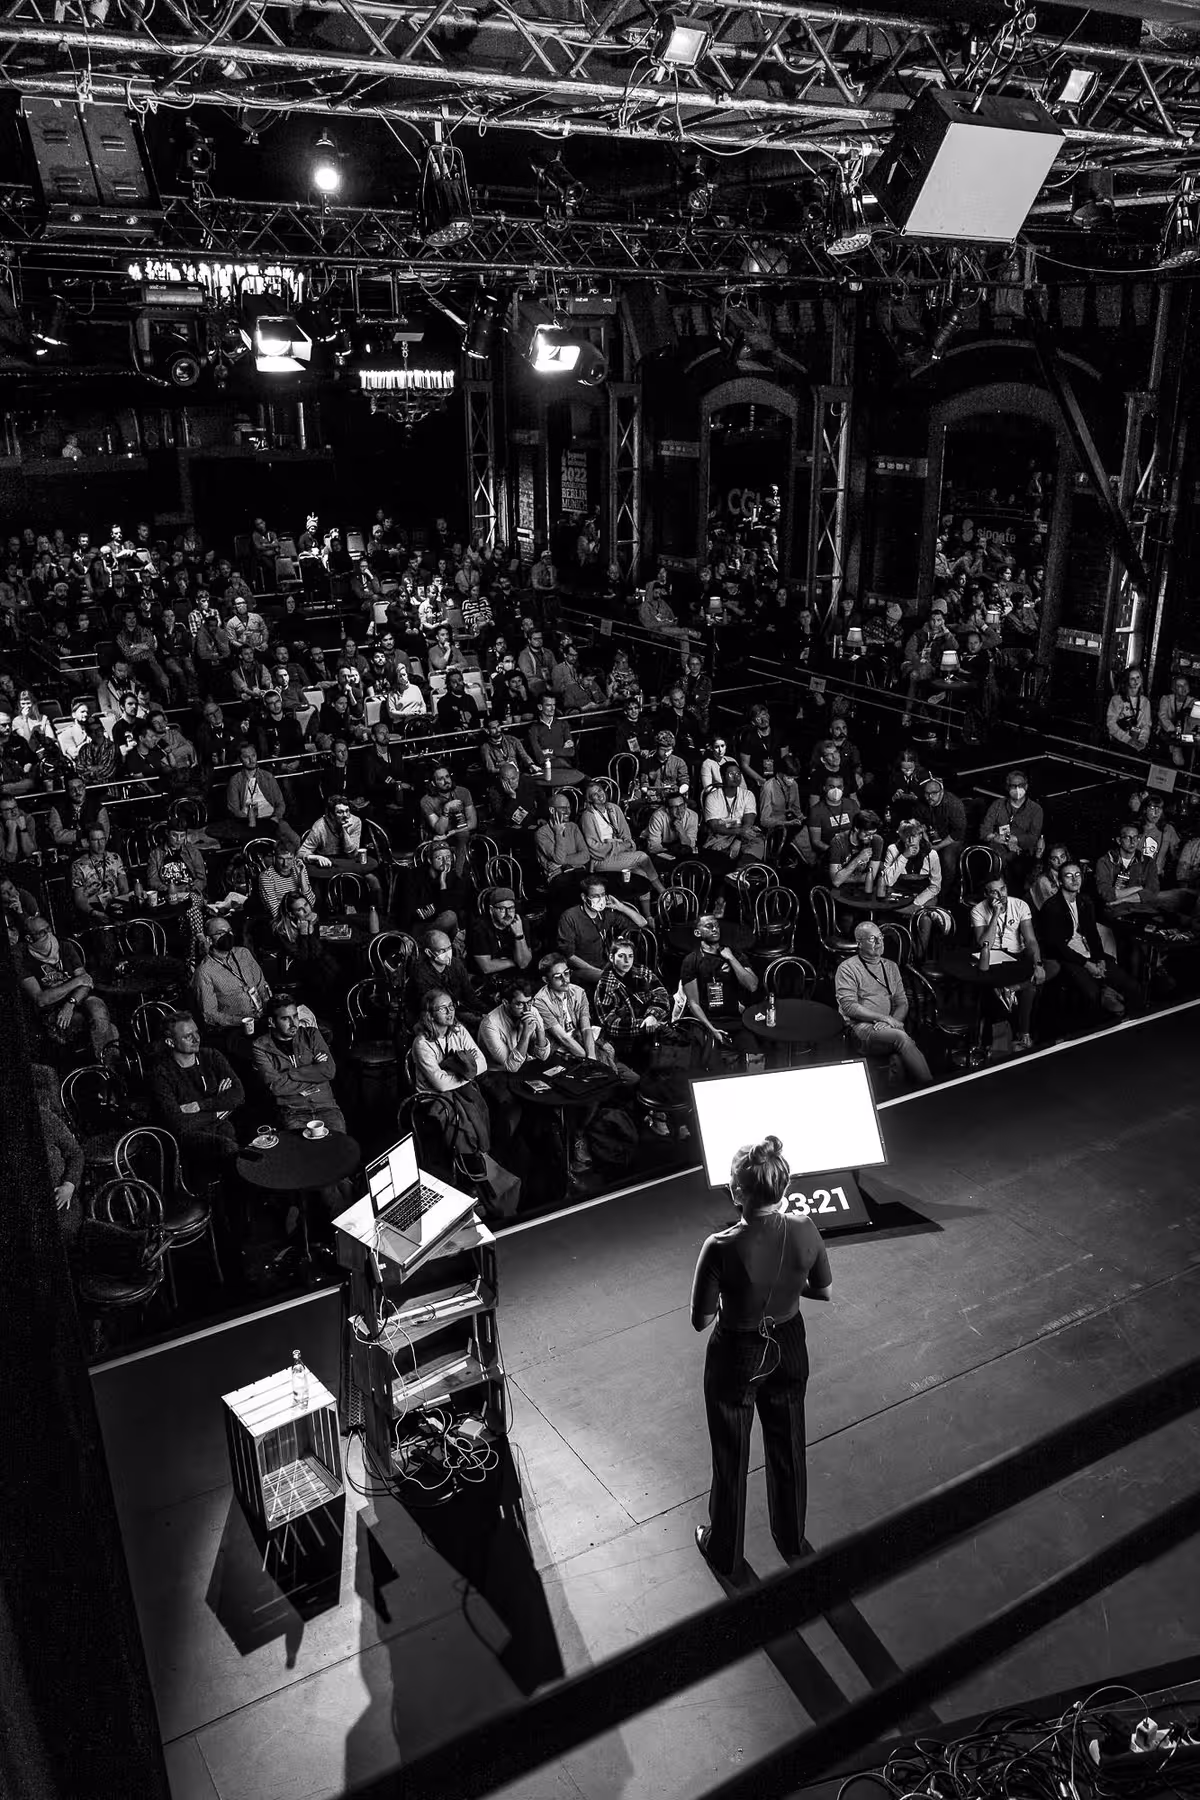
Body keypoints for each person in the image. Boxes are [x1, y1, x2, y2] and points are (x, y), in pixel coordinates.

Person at [691, 1135, 831, 1581]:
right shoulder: (806, 1228)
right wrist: (788, 1289)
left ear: (737, 1192)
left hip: (738, 1350)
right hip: (788, 1342)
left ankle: (725, 1552)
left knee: (731, 1453)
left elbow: (701, 1319)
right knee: (788, 1443)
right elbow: (823, 1291)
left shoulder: (719, 1246)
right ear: (784, 1187)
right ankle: (791, 1539)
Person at [1037, 863, 1142, 1023]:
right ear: (1060, 881)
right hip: (1068, 958)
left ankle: (1134, 1025)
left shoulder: (1085, 901)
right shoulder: (1051, 907)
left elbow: (1093, 934)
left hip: (1090, 954)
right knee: (1092, 995)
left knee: (1132, 986)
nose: (1074, 879)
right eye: (1068, 875)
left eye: (1077, 875)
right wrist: (1087, 964)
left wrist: (1100, 959)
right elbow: (1058, 947)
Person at [834, 922, 933, 1085]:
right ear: (859, 943)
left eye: (881, 938)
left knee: (898, 1054)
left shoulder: (891, 967)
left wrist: (892, 1021)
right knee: (901, 1038)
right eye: (873, 939)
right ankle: (930, 1087)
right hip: (861, 1028)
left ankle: (899, 1096)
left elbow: (902, 1002)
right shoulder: (848, 968)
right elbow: (849, 1007)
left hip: (887, 1027)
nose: (879, 943)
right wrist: (885, 1019)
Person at [969, 869, 1056, 1054]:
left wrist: (1038, 964)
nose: (1001, 895)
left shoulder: (1020, 905)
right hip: (993, 961)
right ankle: (1023, 1035)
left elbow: (1031, 941)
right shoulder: (977, 910)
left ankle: (1011, 989)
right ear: (986, 894)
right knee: (1031, 987)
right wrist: (995, 914)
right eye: (994, 892)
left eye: (1003, 889)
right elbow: (984, 944)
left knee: (1053, 966)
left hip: (1017, 958)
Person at [148, 1013, 244, 1174]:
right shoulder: (160, 1073)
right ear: (170, 1042)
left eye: (196, 1032)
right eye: (188, 1036)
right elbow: (177, 1124)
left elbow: (238, 1094)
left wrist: (199, 1105)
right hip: (190, 1136)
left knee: (243, 1145)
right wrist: (218, 1110)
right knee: (230, 1150)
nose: (196, 1039)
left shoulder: (212, 1056)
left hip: (219, 1126)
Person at [17, 915, 118, 1062]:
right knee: (109, 1029)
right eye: (42, 932)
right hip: (51, 1010)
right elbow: (41, 999)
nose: (49, 934)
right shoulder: (23, 960)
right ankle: (105, 1066)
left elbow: (86, 982)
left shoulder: (64, 946)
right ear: (29, 938)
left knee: (98, 1008)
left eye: (49, 928)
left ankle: (107, 1067)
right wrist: (75, 981)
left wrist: (71, 1002)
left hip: (77, 999)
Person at [253, 992, 345, 1134]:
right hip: (293, 1111)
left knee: (339, 1147)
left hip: (326, 1106)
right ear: (272, 1022)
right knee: (302, 1153)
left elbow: (328, 1071)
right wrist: (314, 1071)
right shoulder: (260, 1046)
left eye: (295, 1016)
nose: (293, 1023)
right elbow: (276, 1086)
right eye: (285, 1018)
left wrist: (290, 1073)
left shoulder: (311, 1034)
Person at [681, 913, 759, 1058]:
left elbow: (752, 985)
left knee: (755, 1060)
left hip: (736, 1020)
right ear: (698, 932)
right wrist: (711, 1029)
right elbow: (693, 1004)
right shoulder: (691, 961)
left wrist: (731, 959)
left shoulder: (735, 954)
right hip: (707, 1022)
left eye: (716, 925)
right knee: (710, 1064)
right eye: (709, 926)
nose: (715, 929)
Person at [876, 819, 953, 959]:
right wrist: (904, 856)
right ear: (900, 836)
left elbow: (935, 886)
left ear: (920, 835)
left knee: (924, 919)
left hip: (923, 896)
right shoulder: (893, 850)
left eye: (915, 836)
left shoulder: (931, 854)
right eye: (907, 836)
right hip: (898, 896)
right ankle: (901, 954)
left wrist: (916, 904)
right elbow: (888, 881)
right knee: (917, 918)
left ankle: (918, 957)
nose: (911, 840)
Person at [193, 917, 270, 1050]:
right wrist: (243, 1020)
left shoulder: (243, 953)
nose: (227, 935)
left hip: (263, 1016)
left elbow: (261, 984)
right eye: (221, 933)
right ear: (209, 939)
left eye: (229, 931)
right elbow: (210, 1015)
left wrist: (269, 1008)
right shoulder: (204, 972)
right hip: (236, 1028)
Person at [594, 935, 671, 1067]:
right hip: (625, 1041)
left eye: (630, 956)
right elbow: (610, 1023)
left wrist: (652, 1015)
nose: (627, 961)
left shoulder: (642, 972)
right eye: (621, 956)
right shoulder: (605, 985)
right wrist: (645, 1024)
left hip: (652, 1028)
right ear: (612, 958)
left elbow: (662, 995)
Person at [556, 875, 644, 990]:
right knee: (616, 983)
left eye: (602, 895)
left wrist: (621, 907)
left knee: (639, 976)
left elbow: (642, 923)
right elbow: (569, 955)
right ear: (584, 897)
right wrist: (597, 971)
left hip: (605, 963)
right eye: (595, 896)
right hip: (582, 969)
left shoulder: (605, 914)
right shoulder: (569, 917)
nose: (600, 899)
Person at [580, 780, 664, 896]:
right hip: (601, 860)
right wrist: (620, 846)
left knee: (643, 875)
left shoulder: (613, 808)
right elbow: (594, 848)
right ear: (590, 799)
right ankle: (665, 893)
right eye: (594, 794)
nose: (600, 795)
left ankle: (648, 914)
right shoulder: (588, 816)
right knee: (642, 857)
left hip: (619, 855)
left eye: (600, 790)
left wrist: (623, 845)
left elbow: (626, 836)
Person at [299, 798, 384, 907]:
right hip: (328, 861)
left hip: (348, 859)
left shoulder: (355, 821)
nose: (345, 815)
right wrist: (316, 858)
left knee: (373, 880)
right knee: (316, 890)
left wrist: (345, 831)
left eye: (347, 811)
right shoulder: (320, 827)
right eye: (340, 812)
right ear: (331, 815)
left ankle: (375, 913)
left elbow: (352, 854)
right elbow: (300, 853)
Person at [410, 929, 485, 1034]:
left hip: (459, 1009)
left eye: (449, 948)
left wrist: (488, 1012)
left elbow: (469, 996)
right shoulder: (421, 973)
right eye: (442, 950)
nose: (448, 953)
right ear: (429, 952)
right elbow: (434, 1009)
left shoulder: (456, 964)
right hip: (436, 1015)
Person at [979, 769, 1044, 881]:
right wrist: (1001, 840)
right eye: (1013, 786)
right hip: (998, 847)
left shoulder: (1036, 809)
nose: (1017, 789)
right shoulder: (997, 805)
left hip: (1022, 850)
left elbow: (1033, 837)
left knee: (1018, 867)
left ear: (1026, 787)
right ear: (1008, 788)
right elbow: (984, 831)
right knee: (995, 858)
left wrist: (1014, 840)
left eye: (1021, 785)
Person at [225, 744, 297, 845]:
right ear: (240, 759)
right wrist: (250, 820)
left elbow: (280, 803)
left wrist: (276, 817)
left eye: (253, 755)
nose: (251, 760)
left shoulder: (267, 777)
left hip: (271, 819)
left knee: (295, 840)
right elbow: (234, 809)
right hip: (248, 823)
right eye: (246, 757)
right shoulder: (236, 781)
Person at [468, 886, 534, 990]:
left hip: (513, 973)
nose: (508, 914)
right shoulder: (479, 928)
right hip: (487, 978)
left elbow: (524, 963)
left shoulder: (520, 922)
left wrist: (519, 935)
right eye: (502, 909)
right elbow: (486, 967)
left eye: (511, 908)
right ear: (491, 910)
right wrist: (514, 961)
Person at [702, 763, 765, 866]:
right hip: (721, 835)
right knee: (716, 850)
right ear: (722, 777)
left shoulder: (748, 795)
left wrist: (738, 838)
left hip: (743, 834)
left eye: (738, 774)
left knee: (757, 842)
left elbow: (748, 822)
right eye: (731, 774)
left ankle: (739, 872)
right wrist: (739, 827)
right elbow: (715, 826)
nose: (736, 777)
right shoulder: (712, 797)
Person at [418, 765, 478, 873]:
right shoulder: (426, 801)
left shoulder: (463, 792)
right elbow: (439, 830)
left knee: (462, 835)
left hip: (460, 832)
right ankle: (453, 878)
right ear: (433, 783)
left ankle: (458, 877)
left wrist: (451, 832)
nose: (446, 781)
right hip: (439, 836)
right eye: (441, 779)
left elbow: (473, 823)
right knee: (460, 837)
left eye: (447, 777)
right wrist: (446, 809)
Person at [71, 824, 131, 918]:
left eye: (102, 839)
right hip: (93, 909)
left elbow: (124, 887)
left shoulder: (115, 858)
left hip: (116, 905)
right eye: (95, 840)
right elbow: (79, 899)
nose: (100, 844)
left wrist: (121, 906)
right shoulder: (78, 865)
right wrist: (93, 913)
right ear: (88, 842)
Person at [1106, 667, 1152, 753]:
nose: (1136, 681)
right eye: (1132, 678)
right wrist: (1128, 740)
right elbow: (1111, 724)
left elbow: (1146, 725)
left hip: (1137, 742)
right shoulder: (1117, 699)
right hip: (1120, 741)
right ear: (1127, 681)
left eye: (1138, 677)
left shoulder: (1145, 701)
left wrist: (1142, 741)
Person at [1156, 672, 1194, 767]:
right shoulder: (1166, 699)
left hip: (1185, 736)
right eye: (1179, 686)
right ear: (1174, 689)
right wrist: (1174, 731)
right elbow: (1162, 716)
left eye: (1185, 684)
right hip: (1167, 734)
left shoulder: (1194, 702)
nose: (1183, 688)